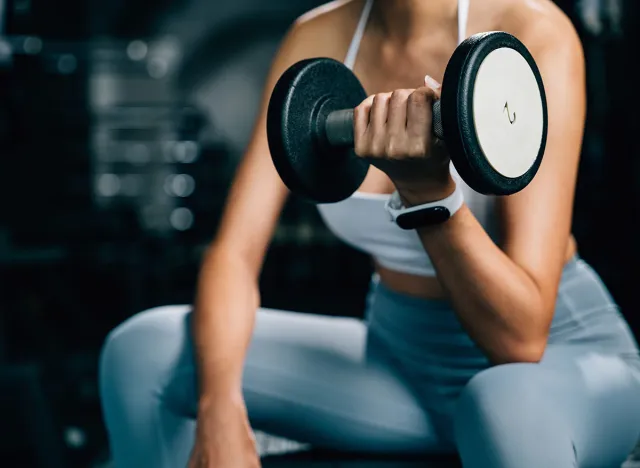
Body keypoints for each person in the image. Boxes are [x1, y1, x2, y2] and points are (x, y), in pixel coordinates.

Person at [98, 0, 640, 467]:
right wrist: (220, 406)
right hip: (399, 367)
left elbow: (520, 340)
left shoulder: (531, 31)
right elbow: (235, 255)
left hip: (554, 368)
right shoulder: (320, 35)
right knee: (144, 350)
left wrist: (429, 196)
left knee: (504, 404)